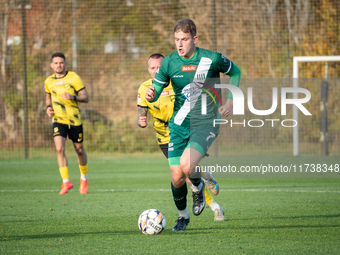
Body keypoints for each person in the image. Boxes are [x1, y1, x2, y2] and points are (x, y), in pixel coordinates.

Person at [145, 19, 241, 231]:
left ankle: (198, 188)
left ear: (194, 39)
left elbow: (235, 72)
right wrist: (151, 94)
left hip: (205, 123)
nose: (179, 44)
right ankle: (183, 216)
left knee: (187, 166)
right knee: (177, 177)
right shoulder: (169, 63)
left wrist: (231, 101)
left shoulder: (211, 58)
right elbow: (156, 92)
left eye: (184, 39)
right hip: (178, 125)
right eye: (177, 39)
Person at [137, 53, 225, 224]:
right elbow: (142, 111)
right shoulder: (145, 88)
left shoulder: (180, 83)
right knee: (181, 175)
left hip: (186, 132)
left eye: (159, 67)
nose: (156, 71)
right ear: (148, 70)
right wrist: (141, 120)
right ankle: (208, 192)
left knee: (186, 171)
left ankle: (210, 207)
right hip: (165, 138)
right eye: (152, 68)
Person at [45, 52, 90, 195]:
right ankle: (66, 182)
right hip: (58, 120)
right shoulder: (48, 81)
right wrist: (48, 108)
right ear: (52, 65)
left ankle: (83, 178)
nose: (59, 65)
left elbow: (86, 97)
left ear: (65, 64)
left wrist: (72, 97)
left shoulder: (74, 78)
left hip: (74, 120)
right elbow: (48, 97)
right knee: (59, 149)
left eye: (61, 62)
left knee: (79, 150)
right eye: (56, 63)